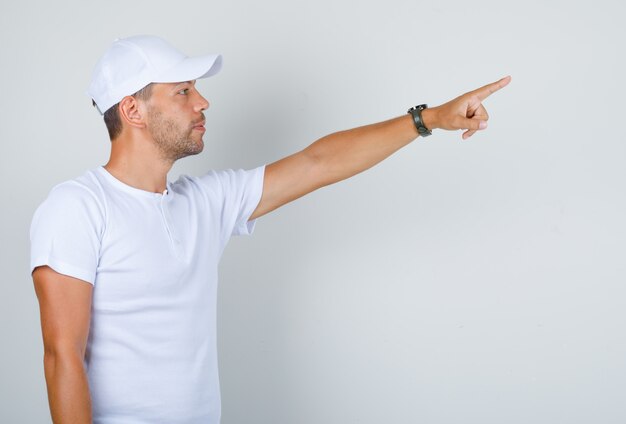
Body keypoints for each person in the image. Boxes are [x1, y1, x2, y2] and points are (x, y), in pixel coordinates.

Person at [30, 35, 510, 423]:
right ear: (132, 111)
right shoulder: (78, 207)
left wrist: (429, 119)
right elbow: (62, 355)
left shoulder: (203, 203)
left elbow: (318, 163)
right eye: (182, 91)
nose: (203, 101)